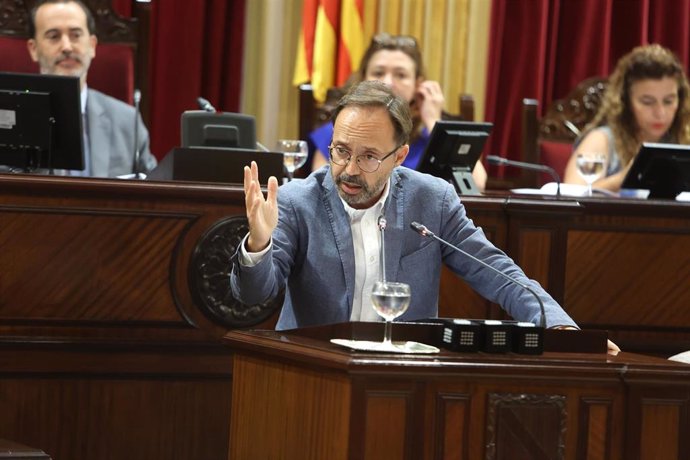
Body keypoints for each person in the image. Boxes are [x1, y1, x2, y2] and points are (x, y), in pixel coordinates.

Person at [232, 81, 621, 352]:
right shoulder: (300, 200)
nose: (348, 169)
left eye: (368, 156)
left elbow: (497, 272)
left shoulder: (431, 200)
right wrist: (259, 243)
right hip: (314, 368)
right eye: (340, 151)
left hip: (405, 373)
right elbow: (252, 295)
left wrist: (559, 326)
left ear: (399, 157)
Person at [309, 33, 488, 191]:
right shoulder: (341, 130)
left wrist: (434, 121)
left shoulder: (433, 131)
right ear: (363, 78)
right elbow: (323, 186)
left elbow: (477, 184)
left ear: (418, 83)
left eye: (400, 75)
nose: (388, 83)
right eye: (378, 73)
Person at [26, 0, 157, 177]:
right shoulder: (10, 117)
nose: (66, 47)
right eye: (53, 36)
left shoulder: (127, 122)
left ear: (93, 46)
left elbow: (153, 189)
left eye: (76, 35)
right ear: (33, 49)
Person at [564, 44, 690, 192]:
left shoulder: (684, 138)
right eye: (647, 102)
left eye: (669, 101)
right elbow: (572, 196)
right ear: (625, 101)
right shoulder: (602, 140)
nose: (660, 113)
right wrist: (625, 178)